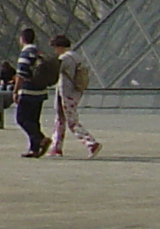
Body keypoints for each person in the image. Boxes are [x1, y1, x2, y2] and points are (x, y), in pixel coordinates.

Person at [50, 34, 99, 157]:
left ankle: (91, 143)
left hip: (67, 92)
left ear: (59, 47)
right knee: (60, 119)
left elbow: (54, 71)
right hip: (75, 92)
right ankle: (56, 147)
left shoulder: (65, 58)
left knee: (71, 122)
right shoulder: (77, 57)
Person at [11, 27, 55, 158]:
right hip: (40, 91)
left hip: (28, 91)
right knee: (34, 120)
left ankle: (40, 139)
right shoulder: (39, 52)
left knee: (22, 119)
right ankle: (34, 149)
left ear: (22, 39)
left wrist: (15, 91)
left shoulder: (25, 53)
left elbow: (21, 74)